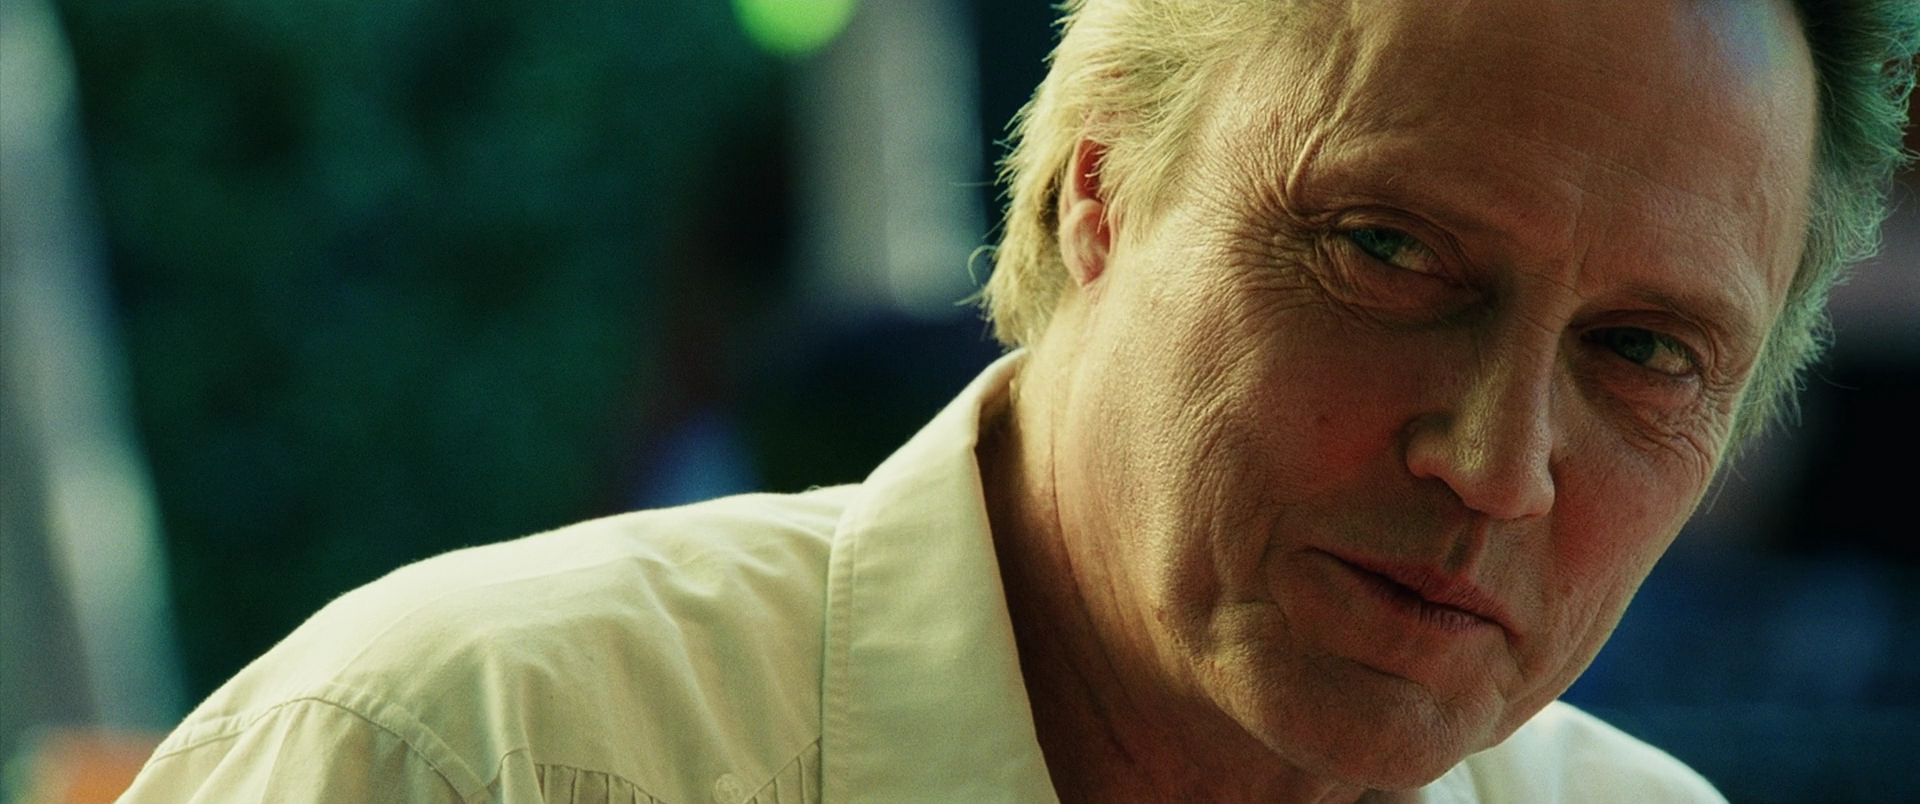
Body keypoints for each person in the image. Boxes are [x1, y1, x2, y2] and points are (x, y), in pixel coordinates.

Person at [119, 0, 1916, 802]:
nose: (1498, 465)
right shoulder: (474, 754)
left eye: (1644, 352)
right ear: (1098, 189)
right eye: (1385, 251)